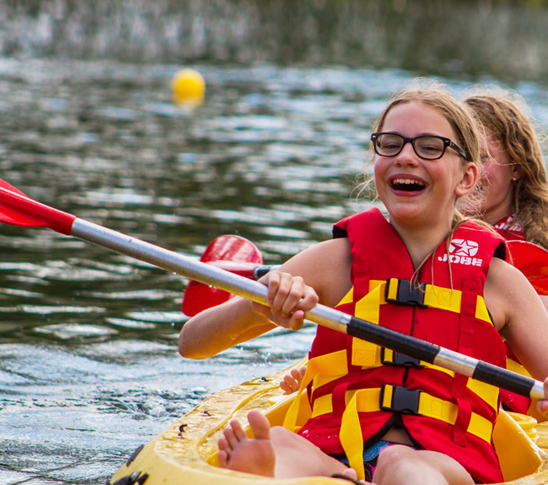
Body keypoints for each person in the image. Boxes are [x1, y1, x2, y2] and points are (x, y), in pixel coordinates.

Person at [179, 83, 548, 485]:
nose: (406, 156)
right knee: (283, 443)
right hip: (336, 444)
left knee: (402, 464)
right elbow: (192, 343)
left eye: (429, 147)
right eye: (391, 144)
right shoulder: (334, 261)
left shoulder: (501, 283)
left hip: (442, 460)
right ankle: (295, 473)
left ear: (467, 177)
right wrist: (255, 307)